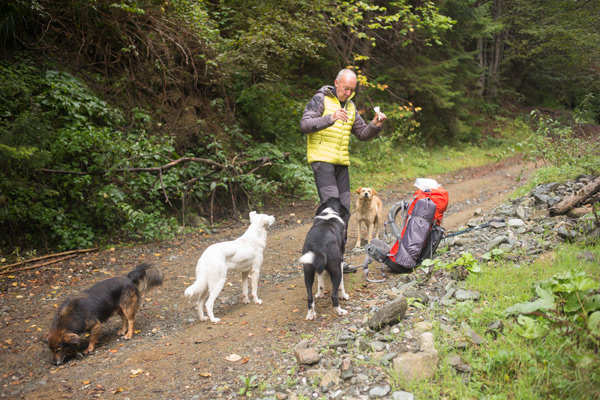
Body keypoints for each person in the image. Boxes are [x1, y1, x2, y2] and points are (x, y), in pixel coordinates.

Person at [300, 68, 386, 272]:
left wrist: (375, 125)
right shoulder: (320, 99)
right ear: (336, 83)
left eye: (352, 90)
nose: (348, 93)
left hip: (341, 163)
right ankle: (320, 254)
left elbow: (362, 133)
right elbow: (305, 125)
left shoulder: (351, 106)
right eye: (346, 88)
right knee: (332, 209)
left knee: (345, 211)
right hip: (322, 160)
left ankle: (337, 259)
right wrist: (330, 118)